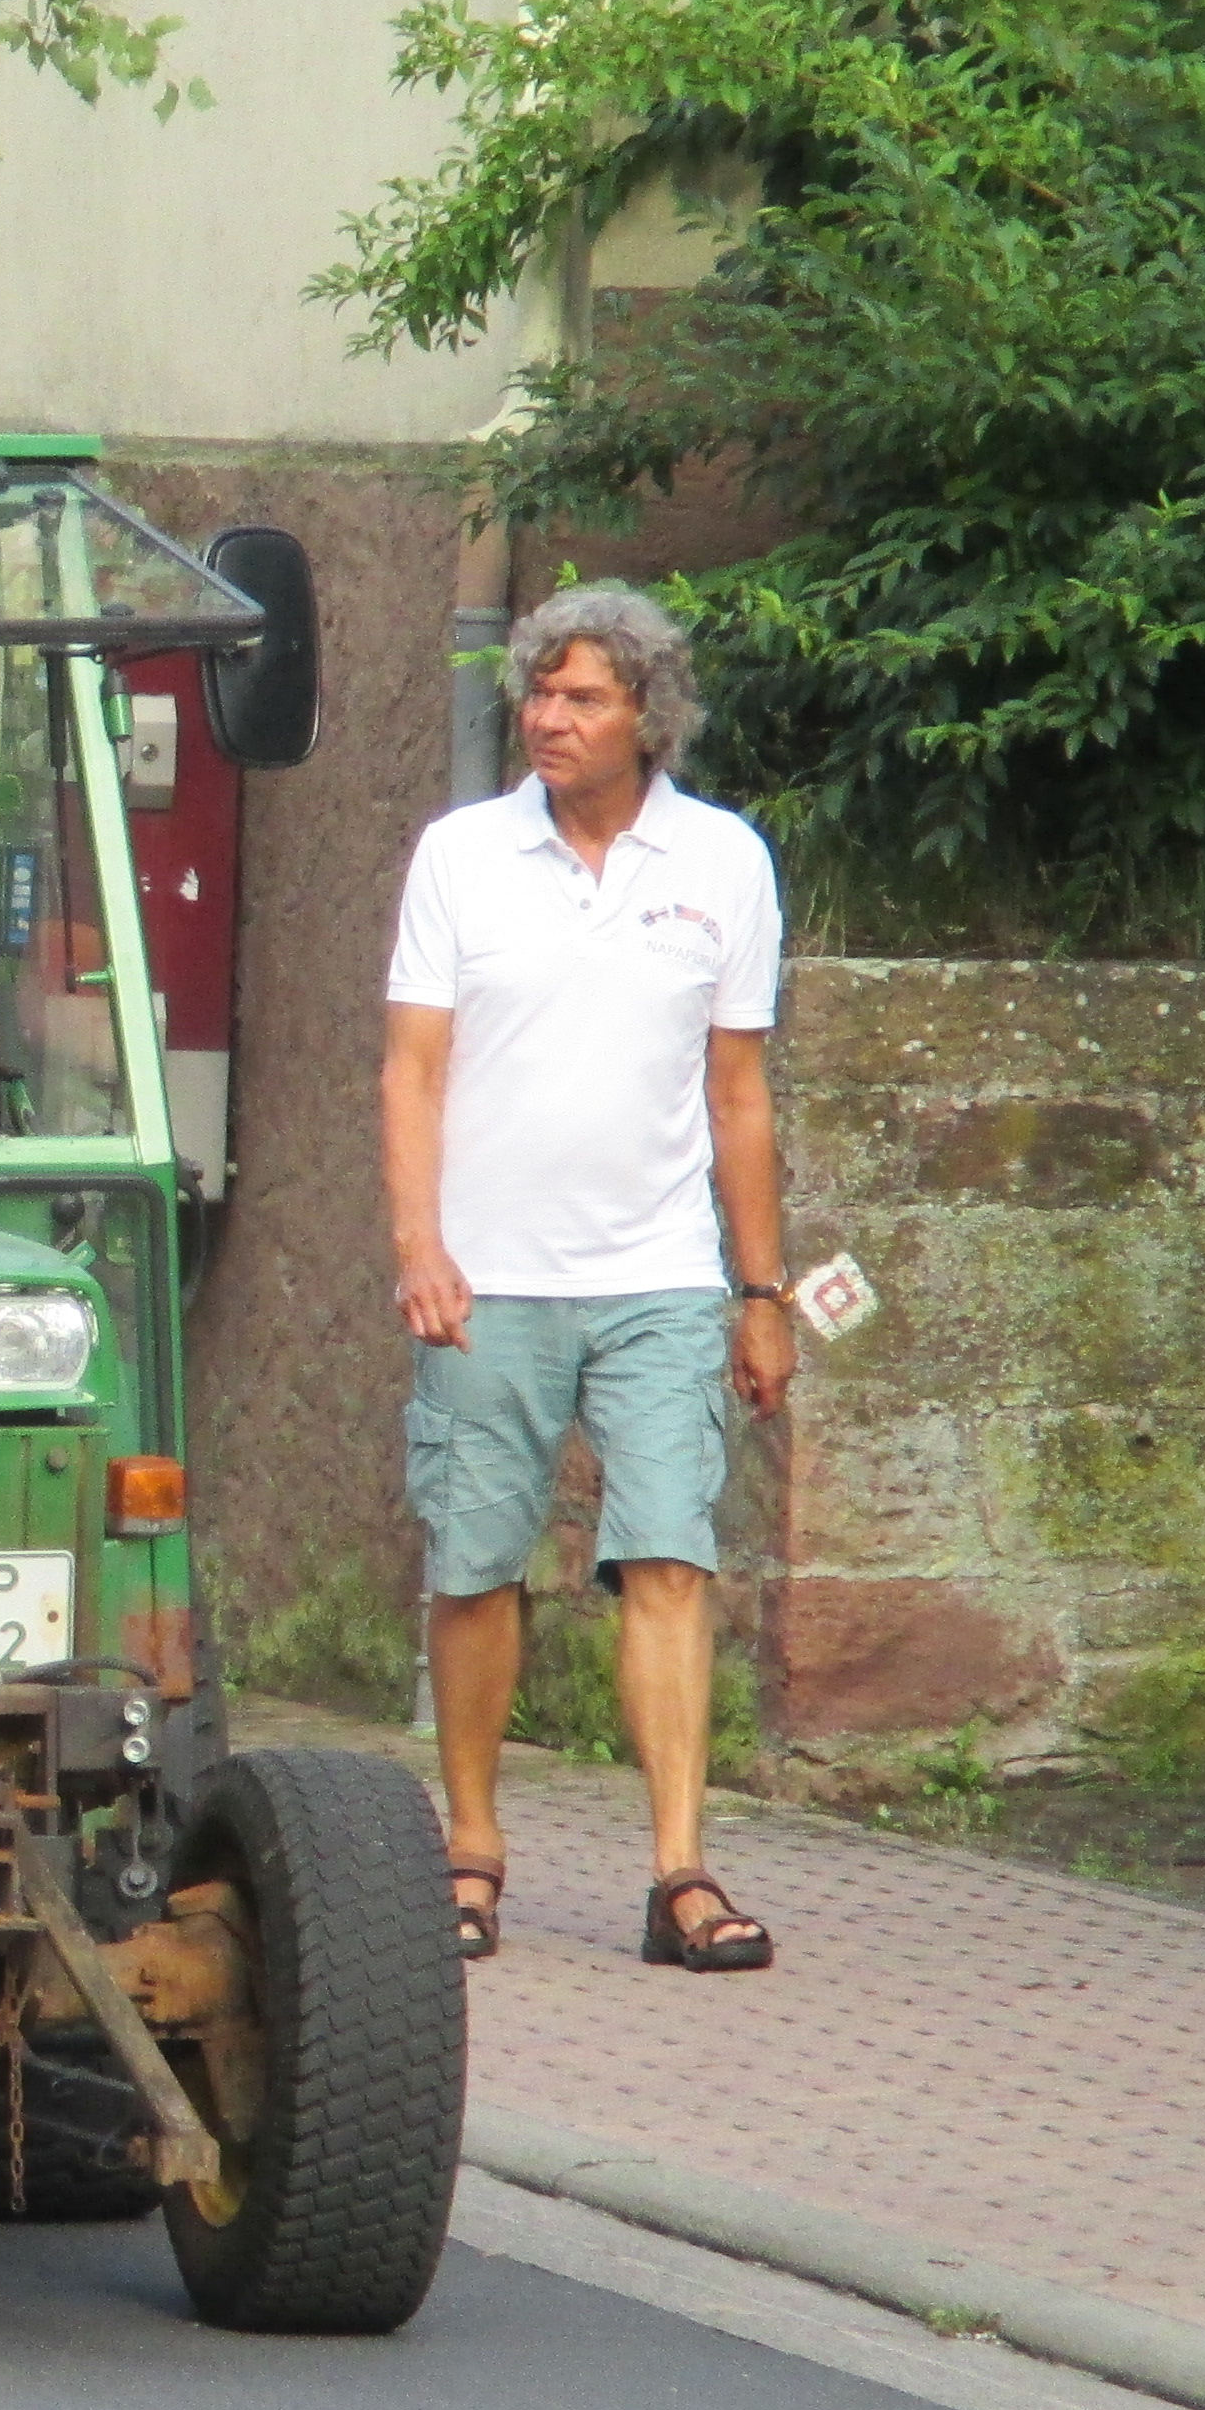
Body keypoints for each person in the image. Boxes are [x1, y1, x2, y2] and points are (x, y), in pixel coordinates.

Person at [382, 582, 791, 1976]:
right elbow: (412, 1068)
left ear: (649, 716)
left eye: (581, 698)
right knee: (476, 1564)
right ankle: (470, 1850)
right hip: (486, 1278)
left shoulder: (725, 861)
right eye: (536, 694)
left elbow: (739, 1093)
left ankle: (680, 1870)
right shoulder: (461, 855)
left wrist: (762, 1289)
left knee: (670, 1556)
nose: (546, 719)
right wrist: (418, 1246)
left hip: (663, 1276)